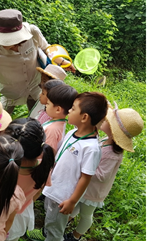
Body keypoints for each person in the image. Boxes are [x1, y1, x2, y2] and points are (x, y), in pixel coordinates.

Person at [64, 103, 144, 241]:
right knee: (76, 205)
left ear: (113, 131)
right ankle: (65, 222)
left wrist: (85, 167)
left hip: (93, 191)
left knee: (86, 214)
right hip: (86, 186)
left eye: (108, 121)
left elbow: (102, 175)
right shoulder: (105, 141)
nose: (105, 120)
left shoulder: (113, 153)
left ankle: (76, 236)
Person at [40, 92, 108, 241]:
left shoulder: (91, 148)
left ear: (84, 117)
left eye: (73, 108)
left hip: (63, 196)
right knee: (50, 218)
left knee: (55, 229)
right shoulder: (72, 133)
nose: (69, 111)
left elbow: (86, 177)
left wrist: (72, 201)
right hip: (54, 188)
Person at [4, 118, 55, 241]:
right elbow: (37, 193)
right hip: (21, 214)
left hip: (2, 216)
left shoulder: (6, 171)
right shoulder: (44, 167)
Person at [42, 84, 78, 153]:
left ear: (58, 109)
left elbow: (48, 154)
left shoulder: (52, 129)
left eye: (48, 103)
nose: (46, 105)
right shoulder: (58, 123)